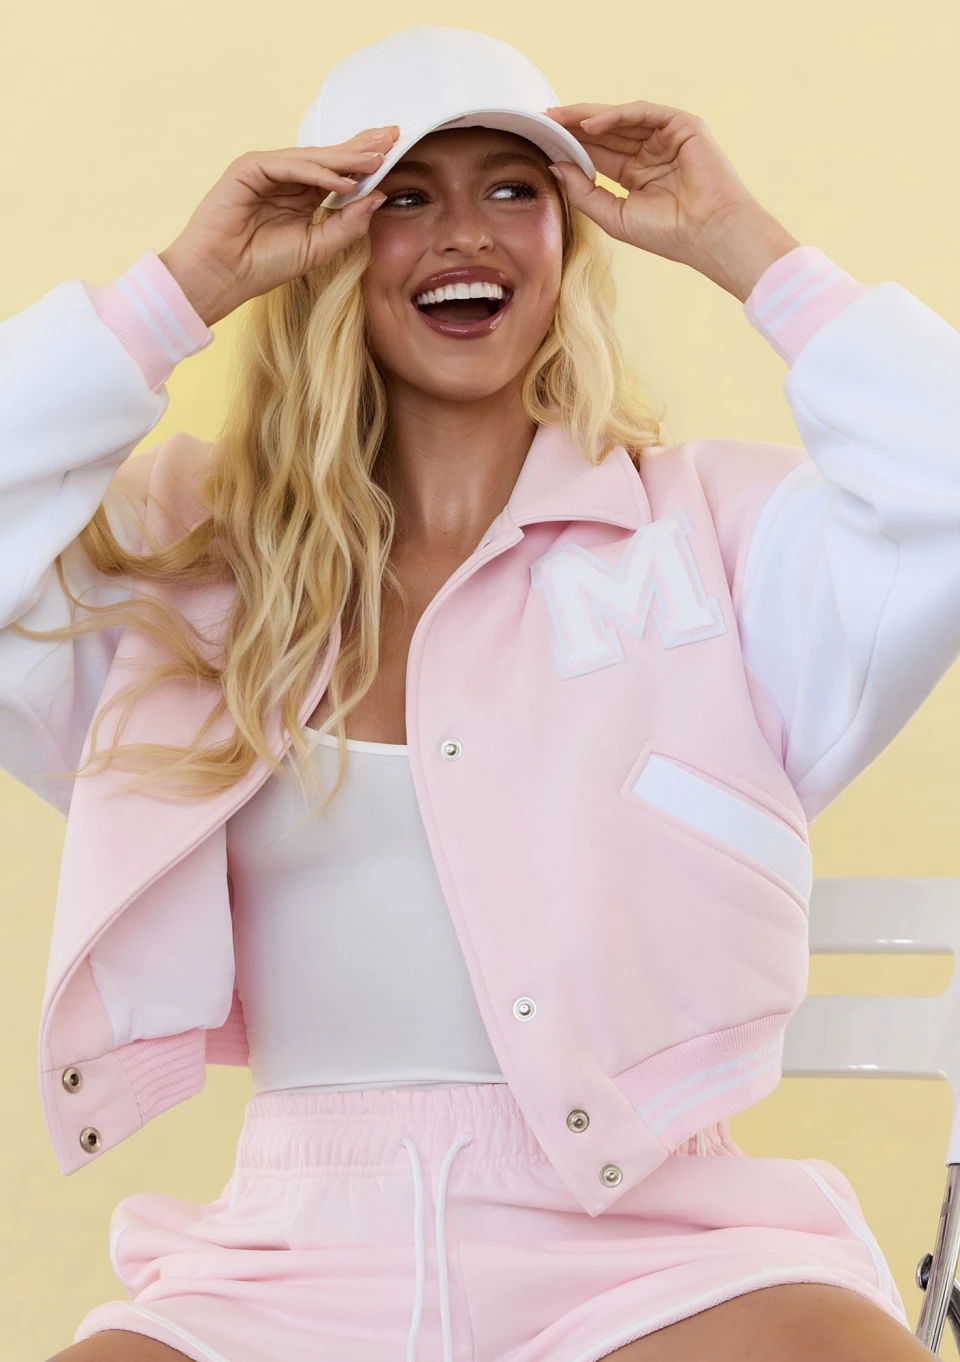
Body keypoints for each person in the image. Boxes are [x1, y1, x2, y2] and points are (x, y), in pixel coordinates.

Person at [3, 21, 957, 1362]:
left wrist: (743, 243)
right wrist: (179, 292)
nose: (467, 233)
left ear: (570, 235)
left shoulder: (706, 539)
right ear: (327, 243)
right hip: (287, 1262)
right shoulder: (195, 561)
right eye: (405, 196)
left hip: (654, 1250)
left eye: (514, 187)